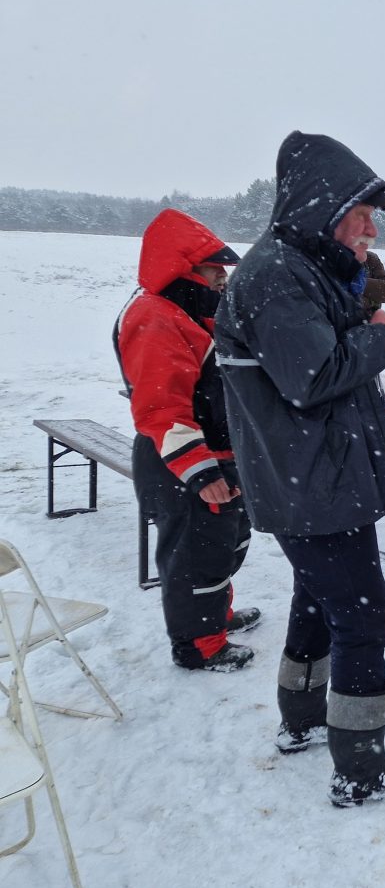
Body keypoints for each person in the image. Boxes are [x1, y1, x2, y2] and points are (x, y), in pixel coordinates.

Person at [214, 130, 385, 807]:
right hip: (310, 484)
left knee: (317, 602)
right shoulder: (276, 275)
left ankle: (300, 723)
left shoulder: (299, 265)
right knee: (364, 619)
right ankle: (360, 771)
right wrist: (383, 338)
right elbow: (316, 375)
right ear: (319, 206)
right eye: (360, 214)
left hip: (313, 480)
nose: (370, 229)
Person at [114, 208, 260, 672]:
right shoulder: (156, 317)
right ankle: (200, 646)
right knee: (194, 556)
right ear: (182, 268)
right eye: (213, 268)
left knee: (223, 544)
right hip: (182, 463)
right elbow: (161, 408)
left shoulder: (191, 313)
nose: (222, 277)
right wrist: (199, 470)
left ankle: (216, 617)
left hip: (217, 455)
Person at [361, 250, 385, 317]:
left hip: (371, 321)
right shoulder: (338, 258)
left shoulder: (370, 259)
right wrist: (373, 301)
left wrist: (360, 282)